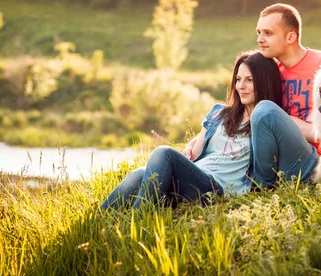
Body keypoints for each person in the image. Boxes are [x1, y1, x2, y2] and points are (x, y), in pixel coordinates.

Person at [100, 51, 282, 211]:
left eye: (249, 80)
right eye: (238, 79)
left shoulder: (265, 123)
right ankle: (96, 221)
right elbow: (194, 153)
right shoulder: (220, 113)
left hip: (217, 187)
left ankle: (138, 220)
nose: (240, 86)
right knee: (140, 173)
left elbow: (267, 171)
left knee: (164, 152)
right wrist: (189, 149)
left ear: (264, 82)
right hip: (194, 176)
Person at [249, 3, 321, 187]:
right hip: (286, 161)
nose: (260, 39)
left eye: (268, 33)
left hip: (319, 161)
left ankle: (261, 187)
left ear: (291, 37)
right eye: (258, 32)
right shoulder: (271, 72)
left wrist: (297, 125)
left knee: (265, 109)